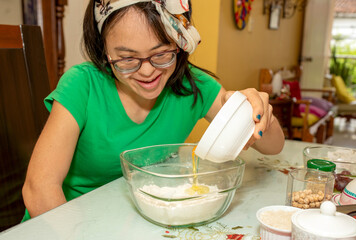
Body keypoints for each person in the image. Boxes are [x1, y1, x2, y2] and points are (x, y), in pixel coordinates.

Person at [22, 0, 285, 221]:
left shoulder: (191, 86)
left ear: (179, 43)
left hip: (133, 219)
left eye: (161, 54)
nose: (147, 71)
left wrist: (257, 113)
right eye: (126, 58)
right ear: (104, 50)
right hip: (64, 222)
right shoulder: (82, 85)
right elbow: (39, 189)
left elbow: (273, 146)